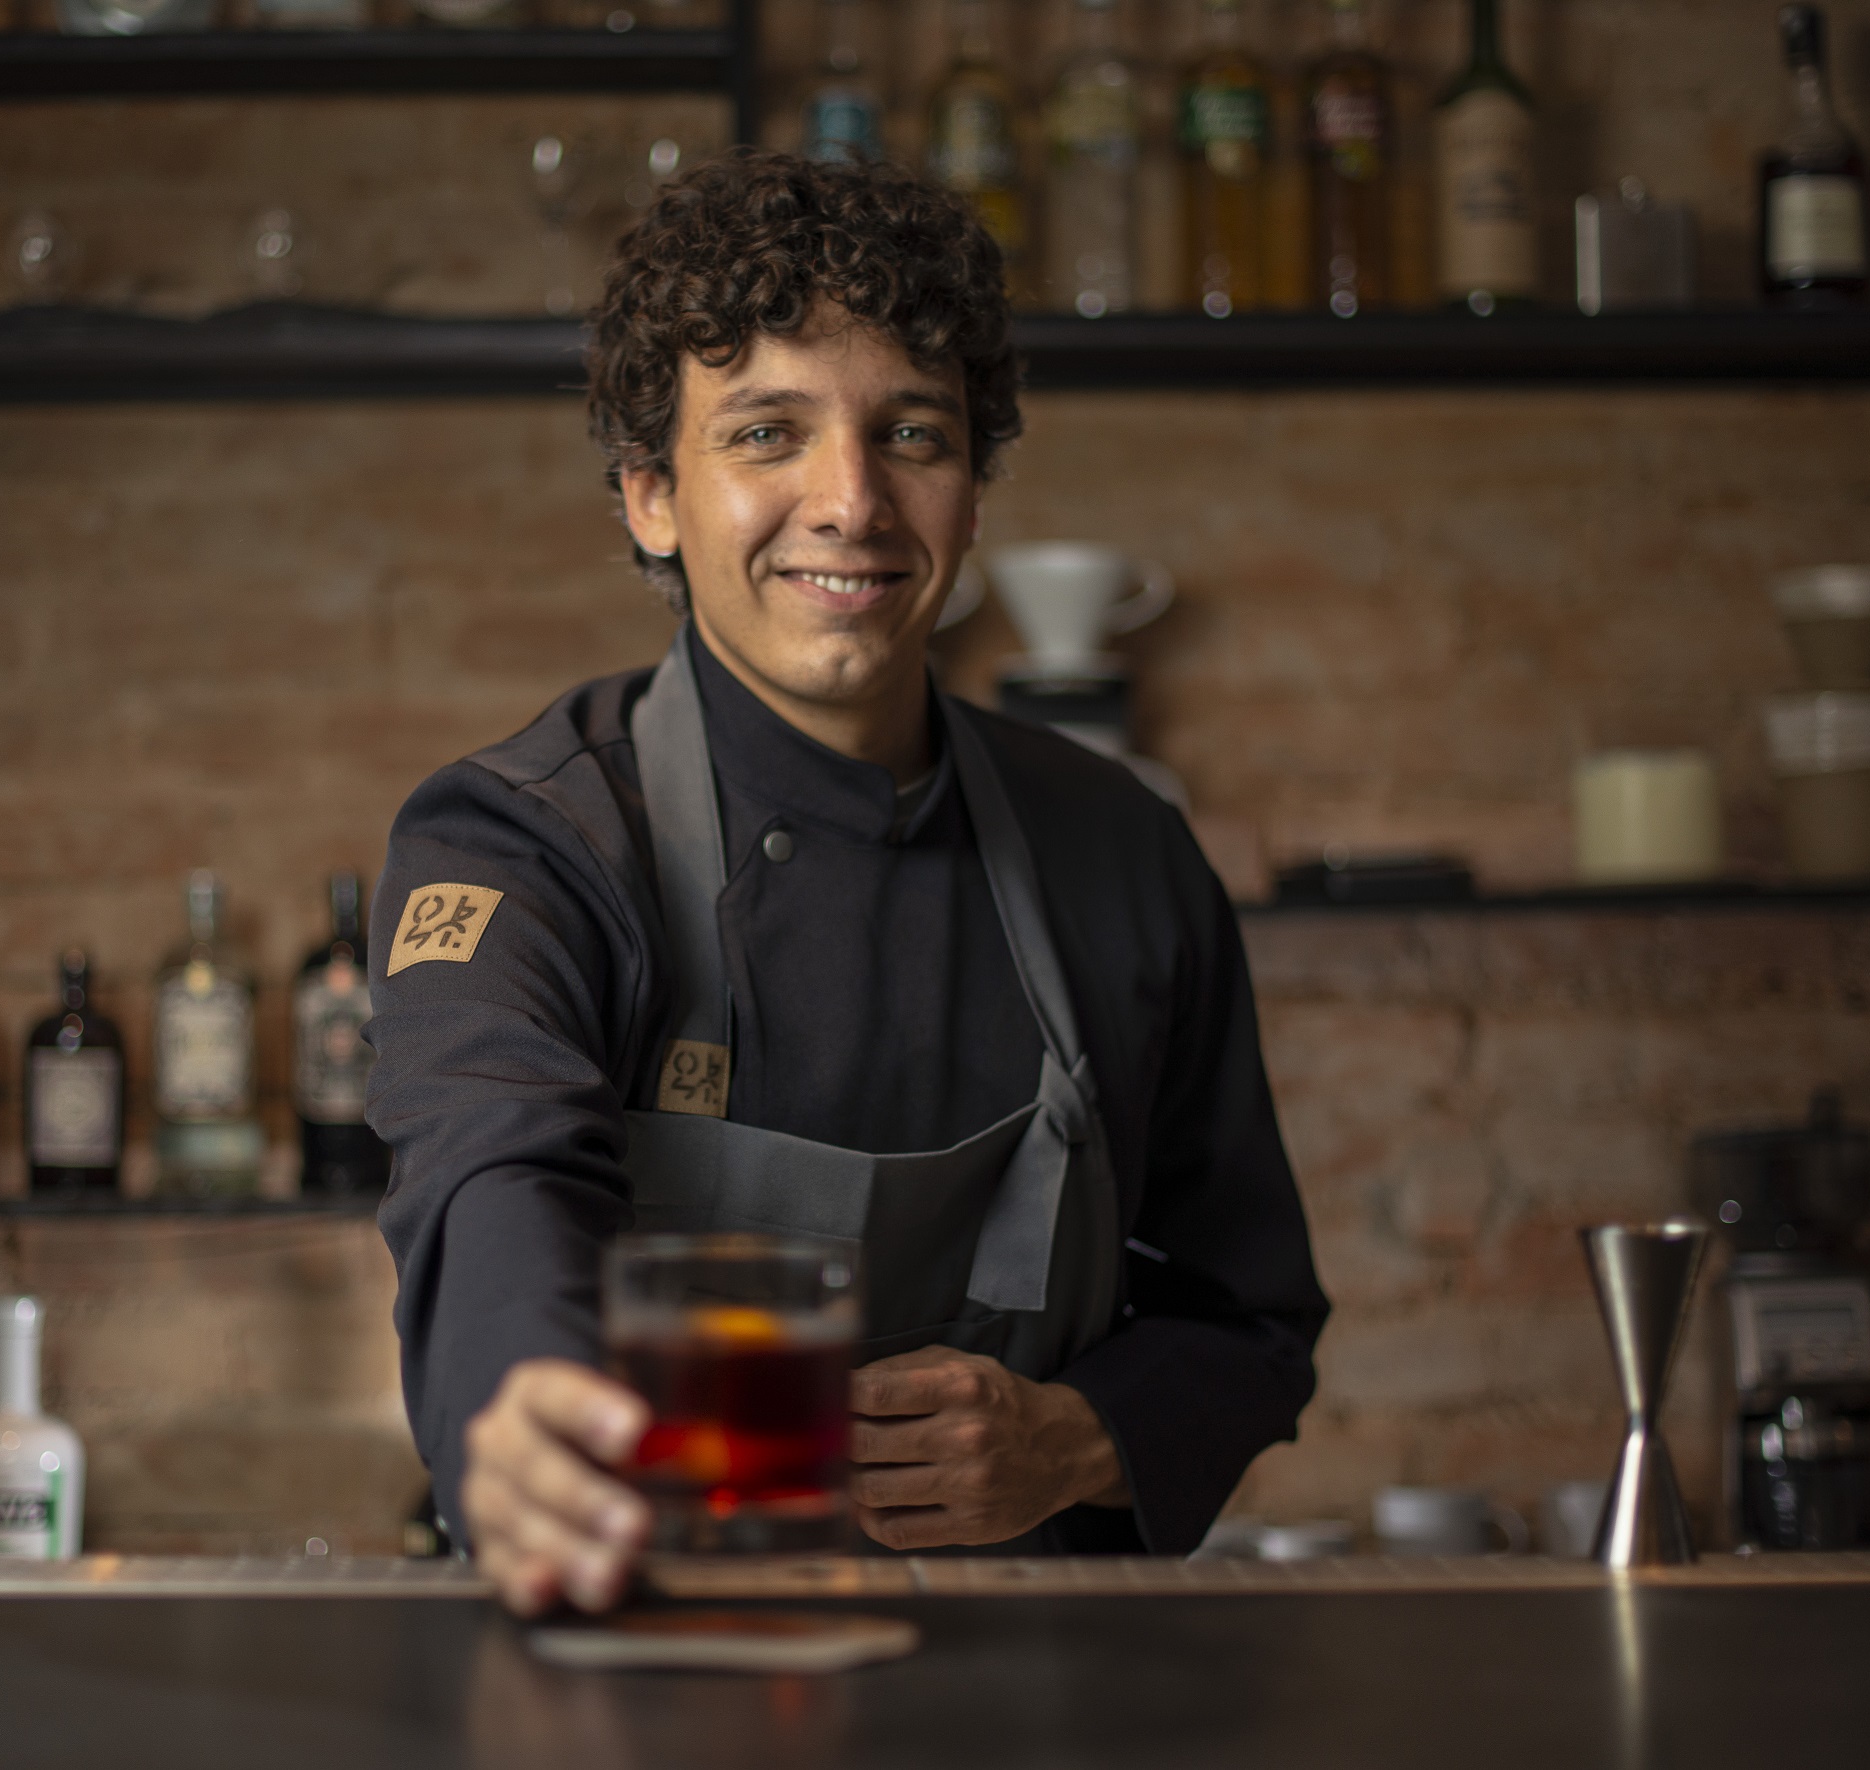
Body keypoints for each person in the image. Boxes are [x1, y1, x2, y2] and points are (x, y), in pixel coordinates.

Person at [369, 150, 1327, 1615]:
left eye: (912, 433)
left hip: (1044, 1690)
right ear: (651, 497)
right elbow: (492, 1184)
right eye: (768, 433)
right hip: (649, 1666)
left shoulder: (1123, 851)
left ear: (973, 494)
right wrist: (526, 1411)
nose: (852, 501)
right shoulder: (527, 845)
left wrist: (1073, 1438)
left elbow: (1246, 1317)